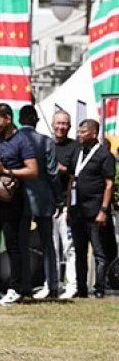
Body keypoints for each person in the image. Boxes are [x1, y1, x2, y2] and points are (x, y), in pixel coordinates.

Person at [0, 104, 39, 306]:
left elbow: (33, 171)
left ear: (8, 118)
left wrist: (8, 172)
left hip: (13, 199)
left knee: (13, 244)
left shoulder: (22, 141)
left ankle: (15, 287)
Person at [66, 119, 115, 299]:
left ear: (94, 134)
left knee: (98, 253)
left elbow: (109, 184)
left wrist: (103, 210)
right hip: (78, 211)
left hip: (95, 211)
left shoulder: (104, 155)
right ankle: (81, 288)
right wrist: (68, 207)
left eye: (83, 132)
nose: (79, 135)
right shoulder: (78, 153)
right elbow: (72, 179)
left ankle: (99, 288)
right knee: (79, 252)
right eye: (79, 131)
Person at [17, 106, 59, 299]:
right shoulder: (46, 141)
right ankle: (52, 284)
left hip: (19, 198)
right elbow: (52, 173)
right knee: (47, 243)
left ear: (19, 119)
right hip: (43, 198)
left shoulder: (14, 140)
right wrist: (58, 197)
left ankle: (24, 284)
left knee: (21, 243)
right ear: (35, 120)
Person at [48, 110, 80, 299]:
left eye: (65, 123)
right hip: (48, 204)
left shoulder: (74, 147)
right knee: (51, 246)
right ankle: (51, 283)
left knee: (68, 246)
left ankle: (72, 284)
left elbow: (76, 173)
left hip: (66, 203)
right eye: (58, 123)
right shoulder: (47, 145)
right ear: (53, 125)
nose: (61, 127)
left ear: (69, 126)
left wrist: (61, 168)